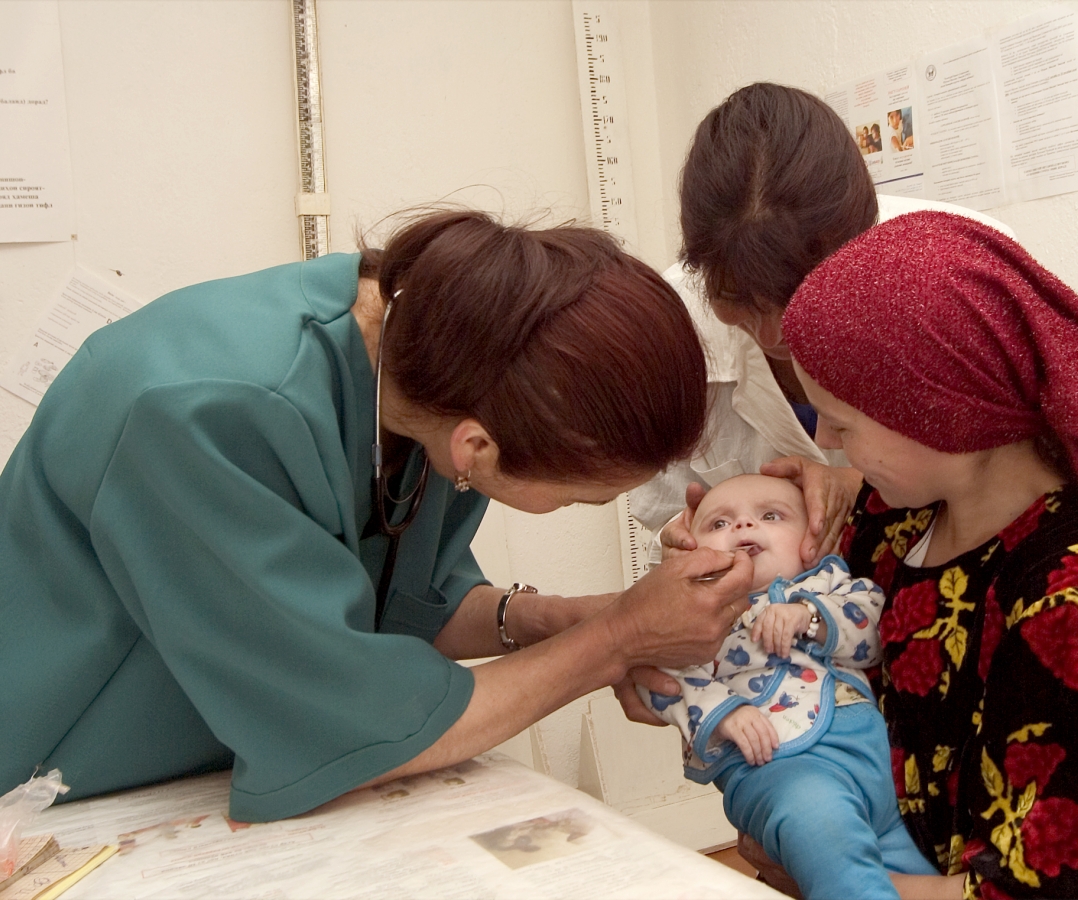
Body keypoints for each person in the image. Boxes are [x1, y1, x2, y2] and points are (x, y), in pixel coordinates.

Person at [0, 208, 755, 823]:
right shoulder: (197, 416)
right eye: (582, 496)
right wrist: (617, 642)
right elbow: (351, 725)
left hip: (193, 766)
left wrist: (576, 616)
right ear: (477, 450)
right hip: (46, 786)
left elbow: (407, 603)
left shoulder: (430, 364)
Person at [771, 210, 1078, 898]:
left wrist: (822, 870)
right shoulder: (893, 524)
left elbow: (1040, 891)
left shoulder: (1075, 602)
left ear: (945, 409)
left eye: (842, 422)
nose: (831, 445)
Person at [629, 82, 1013, 564]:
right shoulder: (672, 328)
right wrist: (691, 532)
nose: (773, 337)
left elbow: (1020, 480)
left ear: (859, 241)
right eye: (736, 300)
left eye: (796, 298)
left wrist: (862, 488)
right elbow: (662, 508)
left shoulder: (958, 270)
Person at [640, 473, 936, 900]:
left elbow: (876, 633)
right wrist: (725, 713)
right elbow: (661, 680)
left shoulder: (834, 585)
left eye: (770, 515)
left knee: (911, 868)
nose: (742, 526)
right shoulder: (693, 614)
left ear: (814, 540)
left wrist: (811, 617)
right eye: (719, 524)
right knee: (829, 844)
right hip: (782, 770)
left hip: (879, 770)